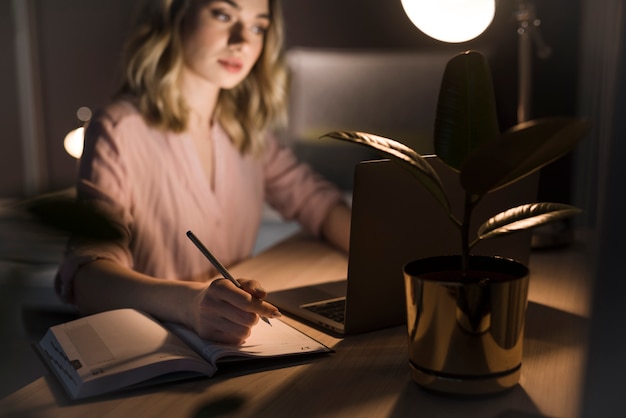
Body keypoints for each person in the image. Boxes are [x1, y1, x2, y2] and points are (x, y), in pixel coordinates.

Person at [55, 0, 351, 345]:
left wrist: (391, 261)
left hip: (235, 343)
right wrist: (191, 303)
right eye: (224, 15)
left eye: (258, 26)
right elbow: (87, 277)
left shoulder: (245, 131)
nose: (242, 40)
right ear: (175, 13)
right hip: (161, 348)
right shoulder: (119, 128)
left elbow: (317, 202)